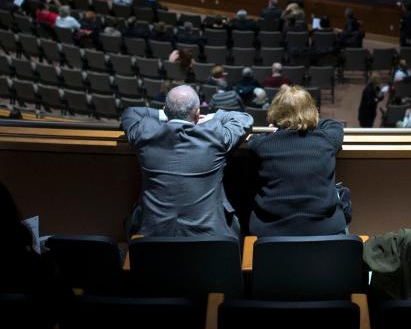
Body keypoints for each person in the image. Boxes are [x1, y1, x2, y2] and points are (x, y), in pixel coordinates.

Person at [121, 85, 253, 238]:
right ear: (197, 114)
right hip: (211, 239)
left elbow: (130, 112)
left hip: (154, 240)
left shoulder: (144, 133)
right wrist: (209, 117)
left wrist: (166, 114)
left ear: (165, 110)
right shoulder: (216, 135)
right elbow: (244, 118)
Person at [242, 86, 347, 236]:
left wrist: (284, 122)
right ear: (313, 111)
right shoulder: (327, 140)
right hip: (326, 233)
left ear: (275, 112)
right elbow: (334, 125)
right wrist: (306, 118)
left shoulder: (259, 145)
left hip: (271, 235)